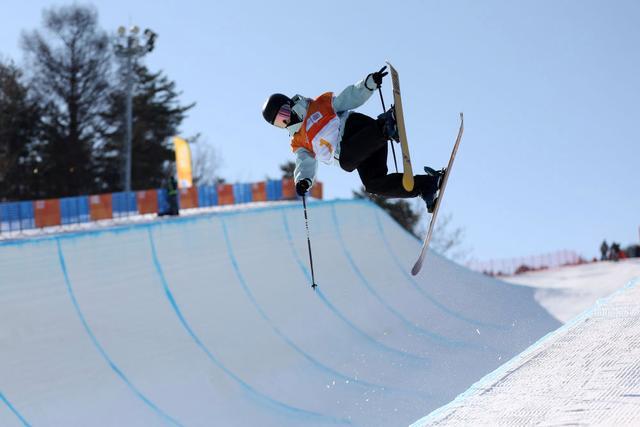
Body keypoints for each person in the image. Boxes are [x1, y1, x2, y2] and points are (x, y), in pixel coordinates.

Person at [261, 66, 444, 212]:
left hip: (357, 130)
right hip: (365, 150)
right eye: (279, 121)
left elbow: (347, 98)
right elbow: (304, 163)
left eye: (284, 112)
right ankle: (427, 185)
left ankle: (385, 126)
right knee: (373, 185)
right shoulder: (298, 142)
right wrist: (303, 181)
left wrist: (367, 85)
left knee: (347, 163)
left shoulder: (316, 105)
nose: (286, 120)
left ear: (290, 103)